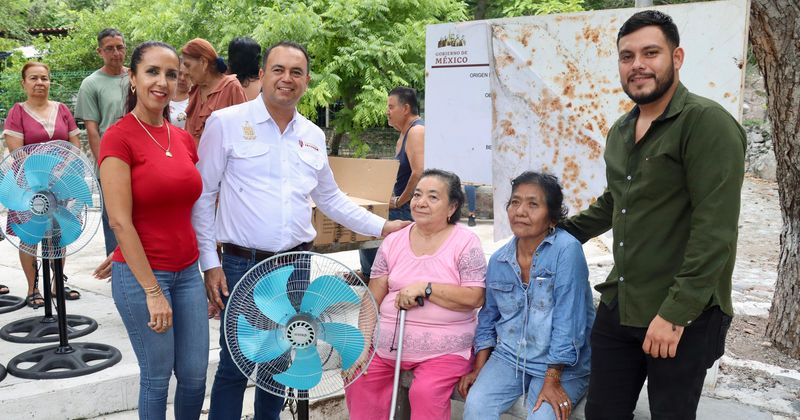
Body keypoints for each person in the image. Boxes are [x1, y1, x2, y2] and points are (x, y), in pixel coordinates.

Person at [192, 40, 410, 420]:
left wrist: (384, 226)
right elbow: (203, 195)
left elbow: (331, 198)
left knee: (279, 359)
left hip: (295, 265)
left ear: (307, 81)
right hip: (243, 265)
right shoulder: (226, 124)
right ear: (262, 75)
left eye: (296, 72)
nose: (287, 79)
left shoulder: (312, 134)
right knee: (235, 362)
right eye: (278, 70)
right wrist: (210, 264)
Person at [559, 10, 745, 419]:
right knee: (602, 413)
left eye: (650, 53)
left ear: (676, 58)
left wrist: (676, 314)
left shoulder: (706, 123)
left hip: (683, 311)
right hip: (622, 301)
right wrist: (557, 233)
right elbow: (616, 201)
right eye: (627, 56)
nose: (637, 65)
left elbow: (715, 230)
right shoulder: (621, 130)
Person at [98, 41, 208, 420]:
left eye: (171, 74)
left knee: (194, 377)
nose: (162, 82)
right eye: (152, 72)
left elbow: (185, 206)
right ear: (132, 77)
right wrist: (152, 290)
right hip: (146, 279)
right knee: (157, 379)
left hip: (188, 273)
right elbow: (119, 220)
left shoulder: (183, 138)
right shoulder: (118, 137)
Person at [345, 169, 487, 420]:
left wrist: (427, 288)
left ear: (452, 207)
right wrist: (363, 344)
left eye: (433, 197)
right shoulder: (393, 241)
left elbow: (475, 297)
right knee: (358, 375)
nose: (421, 202)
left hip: (444, 353)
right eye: (417, 195)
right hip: (386, 347)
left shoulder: (465, 242)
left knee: (425, 392)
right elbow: (372, 297)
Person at [459, 172, 593, 420]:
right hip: (510, 358)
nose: (520, 211)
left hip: (563, 367)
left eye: (533, 204)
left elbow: (570, 321)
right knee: (476, 405)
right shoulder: (499, 260)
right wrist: (479, 368)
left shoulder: (567, 250)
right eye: (515, 202)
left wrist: (552, 379)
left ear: (552, 217)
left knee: (542, 417)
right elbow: (488, 317)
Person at [2, 61, 82, 307]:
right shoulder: (17, 112)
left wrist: (61, 170)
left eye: (44, 78)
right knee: (30, 235)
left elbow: (75, 145)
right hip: (28, 187)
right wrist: (40, 176)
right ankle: (33, 288)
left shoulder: (62, 109)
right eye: (34, 78)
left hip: (61, 184)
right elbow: (16, 151)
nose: (40, 83)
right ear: (24, 83)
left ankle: (57, 284)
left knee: (58, 234)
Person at [358, 87, 425, 279]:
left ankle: (373, 276)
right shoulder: (403, 134)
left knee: (370, 220)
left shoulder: (416, 131)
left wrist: (400, 201)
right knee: (365, 217)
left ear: (406, 108)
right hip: (400, 203)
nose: (387, 111)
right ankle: (370, 273)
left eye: (391, 107)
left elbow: (419, 172)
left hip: (408, 208)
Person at [75, 27, 129, 258]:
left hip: (141, 161)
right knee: (116, 224)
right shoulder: (91, 84)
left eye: (120, 47)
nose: (116, 53)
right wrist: (105, 167)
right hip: (111, 165)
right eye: (109, 49)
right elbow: (93, 130)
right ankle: (118, 272)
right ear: (100, 52)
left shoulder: (137, 77)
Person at [181, 38, 247, 143]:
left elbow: (244, 130)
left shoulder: (231, 87)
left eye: (188, 65)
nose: (186, 72)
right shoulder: (195, 90)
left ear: (203, 62)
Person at [169, 59, 192, 129]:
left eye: (187, 75)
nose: (182, 78)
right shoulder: (163, 95)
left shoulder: (195, 101)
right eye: (180, 73)